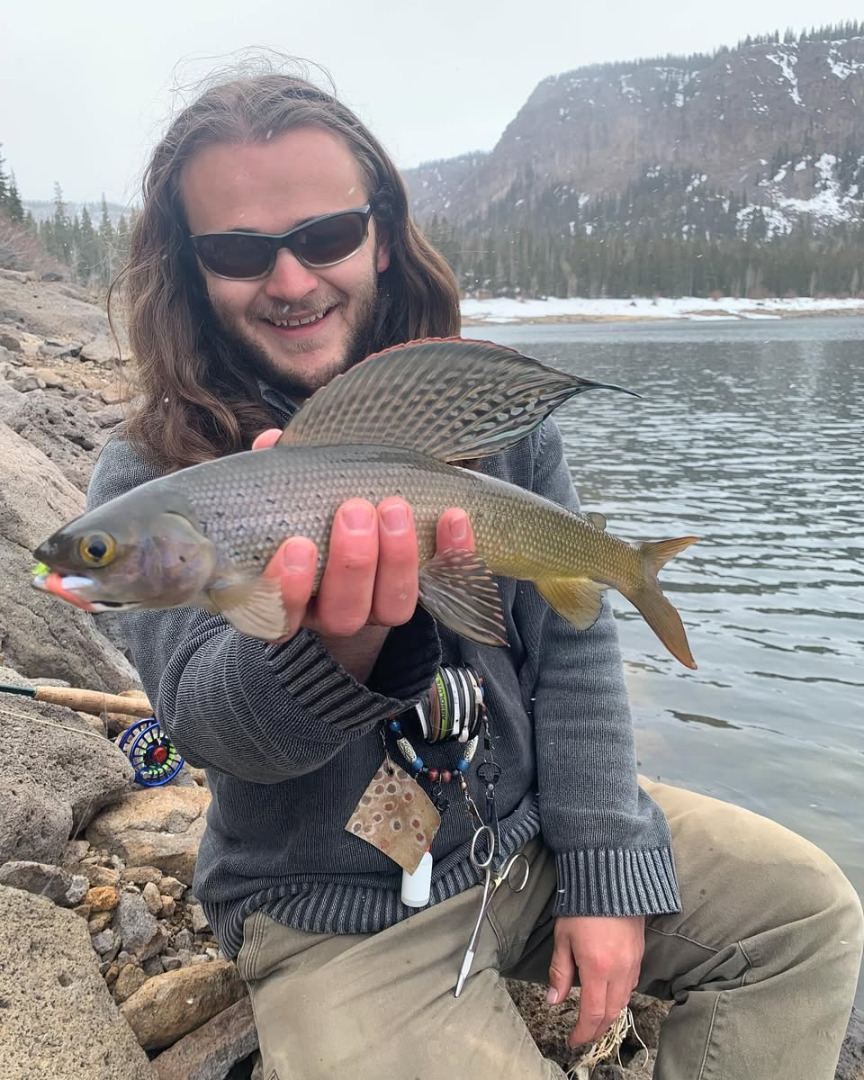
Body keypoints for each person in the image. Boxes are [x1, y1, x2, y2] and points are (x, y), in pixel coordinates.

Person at [88, 67, 863, 1080]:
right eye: (239, 251)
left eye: (325, 235)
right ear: (189, 269)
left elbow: (573, 653)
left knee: (809, 917)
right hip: (333, 912)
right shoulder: (149, 474)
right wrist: (339, 648)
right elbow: (207, 728)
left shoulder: (484, 415)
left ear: (379, 233)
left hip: (526, 841)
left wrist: (602, 863)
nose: (291, 281)